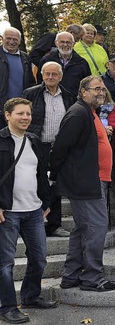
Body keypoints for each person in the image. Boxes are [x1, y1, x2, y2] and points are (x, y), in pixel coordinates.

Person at [49, 76, 115, 292]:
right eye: (96, 89)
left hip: (95, 180)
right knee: (97, 228)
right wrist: (55, 174)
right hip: (86, 182)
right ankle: (92, 278)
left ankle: (70, 276)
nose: (101, 92)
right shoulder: (78, 113)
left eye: (103, 89)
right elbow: (60, 146)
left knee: (83, 229)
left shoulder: (90, 113)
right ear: (83, 91)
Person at [0, 98, 55, 324]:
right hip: (8, 211)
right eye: (20, 114)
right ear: (7, 115)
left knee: (39, 258)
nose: (25, 118)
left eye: (28, 114)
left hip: (33, 210)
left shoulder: (33, 140)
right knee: (5, 263)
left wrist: (46, 201)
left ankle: (31, 296)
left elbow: (42, 174)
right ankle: (8, 307)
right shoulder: (1, 140)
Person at [22, 62, 75, 237]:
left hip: (58, 148)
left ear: (60, 76)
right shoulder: (31, 93)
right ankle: (30, 224)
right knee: (33, 183)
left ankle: (54, 225)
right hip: (37, 146)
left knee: (55, 187)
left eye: (54, 74)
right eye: (47, 74)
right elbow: (23, 116)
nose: (50, 77)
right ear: (42, 75)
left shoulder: (67, 96)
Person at [0, 27, 36, 128]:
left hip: (20, 109)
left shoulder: (25, 58)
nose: (11, 42)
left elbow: (31, 82)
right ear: (2, 39)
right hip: (1, 109)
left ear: (20, 41)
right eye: (8, 38)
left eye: (15, 39)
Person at [37, 31, 90, 96]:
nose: (65, 45)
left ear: (73, 44)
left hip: (74, 101)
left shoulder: (82, 63)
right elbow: (40, 81)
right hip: (50, 98)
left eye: (68, 42)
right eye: (62, 42)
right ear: (56, 43)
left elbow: (87, 85)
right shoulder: (46, 60)